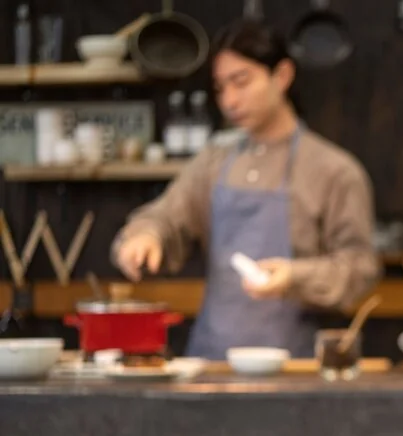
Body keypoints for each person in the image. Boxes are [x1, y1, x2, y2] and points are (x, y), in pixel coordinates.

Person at [112, 20, 380, 359]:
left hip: (296, 366)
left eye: (241, 82)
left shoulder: (333, 171)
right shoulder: (213, 161)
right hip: (214, 359)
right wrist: (145, 236)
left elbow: (360, 268)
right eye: (221, 88)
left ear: (281, 76)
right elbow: (165, 216)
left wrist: (294, 277)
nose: (230, 100)